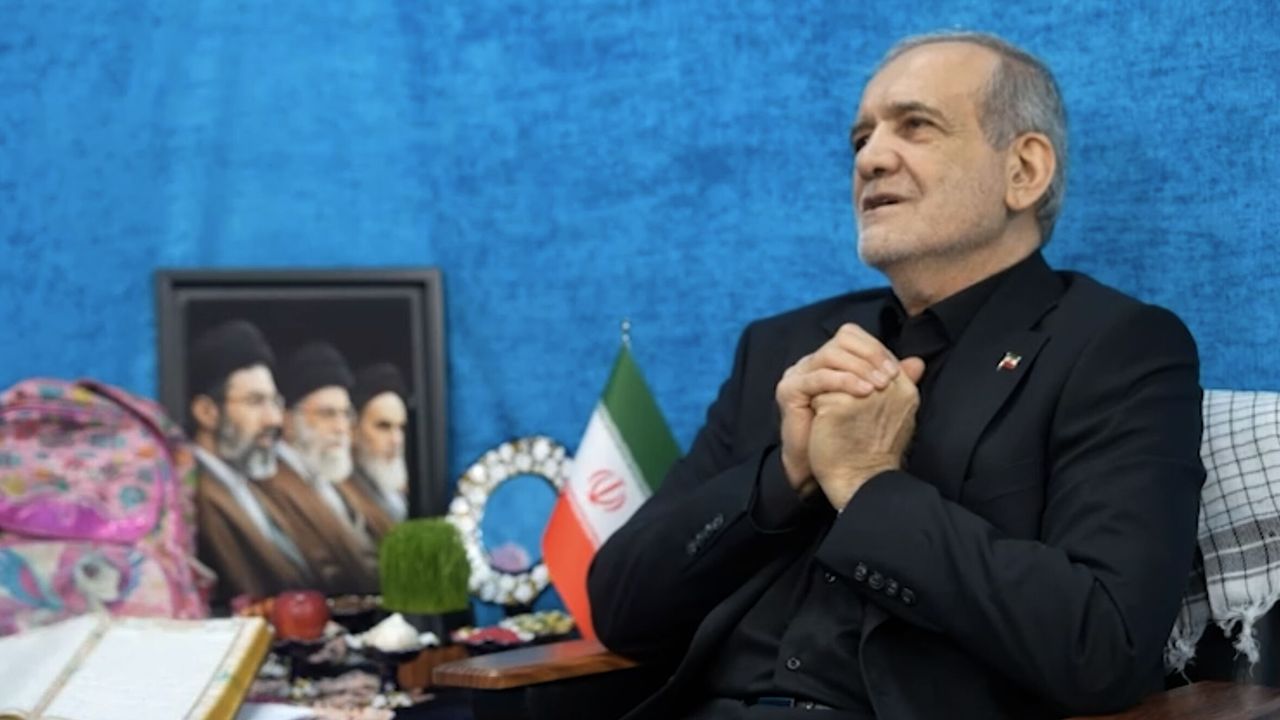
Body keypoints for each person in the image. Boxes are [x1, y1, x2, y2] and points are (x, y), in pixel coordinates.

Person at [587, 31, 1205, 720]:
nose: (870, 158)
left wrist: (866, 485)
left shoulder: (1116, 347)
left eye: (915, 126)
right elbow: (619, 607)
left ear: (1024, 170)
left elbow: (1103, 648)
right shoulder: (782, 349)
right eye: (861, 138)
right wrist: (785, 475)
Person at [187, 319, 315, 604]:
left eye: (275, 402)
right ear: (207, 412)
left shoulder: (250, 487)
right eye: (256, 401)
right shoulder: (194, 499)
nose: (274, 419)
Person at [266, 341, 380, 595]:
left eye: (345, 414)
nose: (341, 427)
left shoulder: (335, 479)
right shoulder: (270, 485)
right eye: (327, 414)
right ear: (288, 421)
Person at [339, 362, 412, 543]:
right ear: (353, 430)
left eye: (401, 428)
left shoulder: (397, 491)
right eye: (383, 426)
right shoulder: (340, 498)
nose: (396, 440)